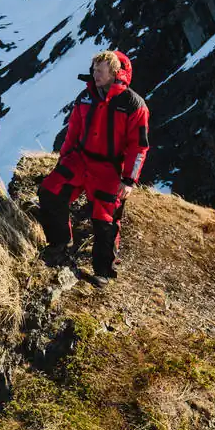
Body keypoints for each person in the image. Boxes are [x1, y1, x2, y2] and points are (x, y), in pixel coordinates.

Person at [38, 49, 149, 286]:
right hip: (79, 160)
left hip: (109, 169)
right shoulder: (86, 96)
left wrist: (129, 180)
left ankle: (103, 272)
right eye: (94, 69)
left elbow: (139, 147)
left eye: (100, 70)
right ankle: (61, 245)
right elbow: (73, 131)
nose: (95, 74)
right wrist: (64, 160)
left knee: (105, 220)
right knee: (50, 191)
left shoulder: (134, 105)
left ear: (115, 73)